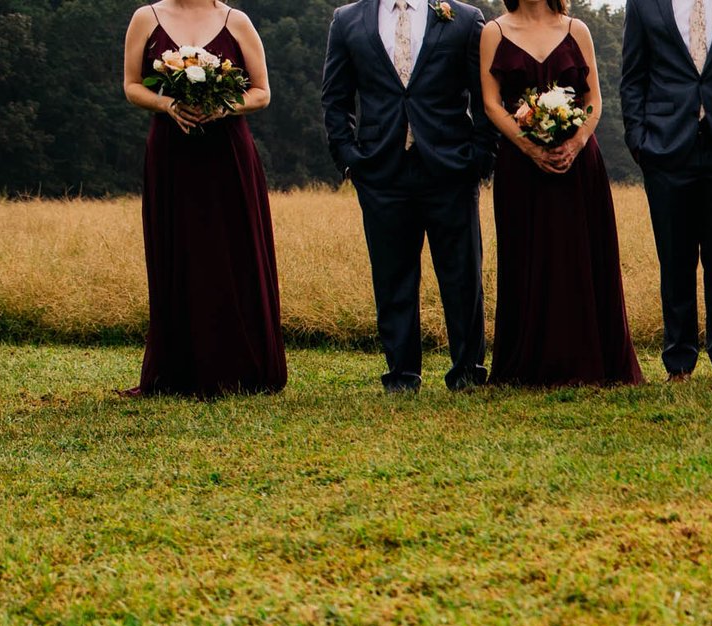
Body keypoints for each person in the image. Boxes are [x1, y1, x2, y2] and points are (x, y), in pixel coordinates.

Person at [322, 0, 491, 392]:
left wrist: (481, 158)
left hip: (451, 167)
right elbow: (336, 98)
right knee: (392, 276)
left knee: (463, 275)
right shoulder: (347, 20)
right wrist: (348, 158)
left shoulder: (464, 18)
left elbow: (483, 95)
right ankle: (401, 375)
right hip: (381, 169)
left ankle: (467, 372)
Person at [120, 0, 287, 397]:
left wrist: (222, 106)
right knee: (177, 250)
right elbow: (130, 86)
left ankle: (244, 369)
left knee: (234, 252)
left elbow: (262, 93)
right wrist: (167, 103)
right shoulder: (146, 18)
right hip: (171, 154)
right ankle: (177, 371)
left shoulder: (237, 22)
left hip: (227, 153)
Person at [480, 0, 642, 385]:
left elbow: (594, 102)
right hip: (521, 167)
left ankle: (592, 359)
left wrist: (576, 143)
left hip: (578, 164)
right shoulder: (494, 32)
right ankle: (530, 363)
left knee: (581, 254)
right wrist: (530, 147)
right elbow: (490, 103)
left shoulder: (577, 30)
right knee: (527, 254)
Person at [620, 0, 712, 380]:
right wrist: (639, 141)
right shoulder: (643, 4)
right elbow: (633, 76)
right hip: (665, 149)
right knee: (675, 258)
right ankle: (678, 361)